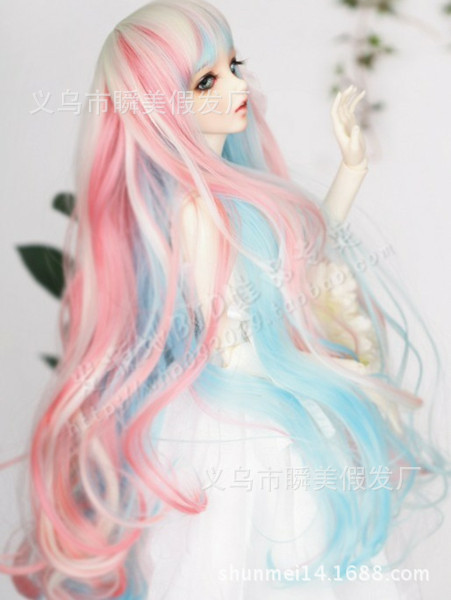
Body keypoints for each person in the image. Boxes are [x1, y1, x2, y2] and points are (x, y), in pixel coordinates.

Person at [1, 1, 449, 599]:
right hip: (245, 422)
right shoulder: (194, 211)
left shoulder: (228, 196)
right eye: (206, 81)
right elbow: (229, 340)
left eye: (234, 65)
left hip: (265, 406)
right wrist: (315, 373)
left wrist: (351, 171)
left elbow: (301, 260)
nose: (239, 86)